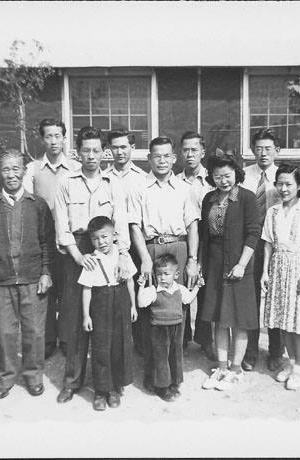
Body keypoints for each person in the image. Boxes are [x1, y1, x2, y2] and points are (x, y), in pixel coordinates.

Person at [54, 126, 133, 404]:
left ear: (104, 152)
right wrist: (77, 256)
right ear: (77, 152)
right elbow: (62, 227)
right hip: (78, 251)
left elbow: (121, 224)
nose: (91, 156)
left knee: (110, 321)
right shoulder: (66, 182)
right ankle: (72, 382)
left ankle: (111, 385)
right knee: (78, 319)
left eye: (96, 150)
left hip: (107, 249)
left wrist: (123, 255)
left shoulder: (114, 184)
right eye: (85, 150)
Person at [0, 149, 54, 399]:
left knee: (34, 331)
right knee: (5, 332)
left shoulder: (37, 205)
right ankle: (6, 376)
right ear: (0, 172)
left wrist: (45, 271)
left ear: (23, 171)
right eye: (6, 169)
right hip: (1, 280)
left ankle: (33, 376)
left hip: (32, 279)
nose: (12, 174)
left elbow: (46, 242)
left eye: (16, 168)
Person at [128, 135, 201, 393]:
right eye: (156, 156)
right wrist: (145, 258)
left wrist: (192, 259)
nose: (161, 160)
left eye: (166, 155)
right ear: (149, 158)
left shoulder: (184, 188)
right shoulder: (139, 187)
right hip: (152, 248)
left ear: (174, 158)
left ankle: (174, 377)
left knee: (177, 310)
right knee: (153, 313)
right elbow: (134, 226)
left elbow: (192, 225)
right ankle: (156, 376)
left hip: (178, 247)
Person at [199, 152, 261, 391]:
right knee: (219, 318)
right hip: (215, 264)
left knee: (239, 319)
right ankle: (222, 367)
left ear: (236, 173)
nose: (223, 180)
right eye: (217, 176)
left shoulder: (246, 197)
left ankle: (236, 369)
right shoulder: (209, 199)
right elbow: (206, 234)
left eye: (227, 175)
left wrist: (242, 264)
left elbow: (253, 233)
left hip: (238, 263)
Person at [23, 118, 81, 359]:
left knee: (69, 290)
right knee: (45, 289)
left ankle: (67, 337)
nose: (54, 141)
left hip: (68, 240)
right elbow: (26, 204)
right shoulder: (32, 169)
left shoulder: (76, 168)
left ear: (64, 138)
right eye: (49, 136)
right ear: (42, 138)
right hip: (43, 241)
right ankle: (48, 339)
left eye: (58, 136)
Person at [260, 164, 300, 390]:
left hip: (297, 267)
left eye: (289, 184)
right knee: (283, 319)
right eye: (280, 184)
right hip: (277, 266)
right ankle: (291, 363)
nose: (283, 189)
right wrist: (265, 271)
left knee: (298, 321)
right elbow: (267, 243)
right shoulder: (272, 211)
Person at [79, 216, 137, 411]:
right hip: (100, 303)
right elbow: (86, 289)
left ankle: (114, 388)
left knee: (120, 344)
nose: (101, 242)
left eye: (104, 237)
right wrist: (86, 315)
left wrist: (133, 306)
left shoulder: (123, 257)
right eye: (95, 239)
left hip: (121, 301)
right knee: (101, 347)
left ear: (113, 235)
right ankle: (101, 390)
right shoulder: (92, 260)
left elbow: (129, 281)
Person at [241, 128, 284, 372]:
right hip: (251, 244)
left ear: (276, 150)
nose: (263, 153)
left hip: (277, 245)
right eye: (258, 148)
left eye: (268, 148)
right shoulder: (244, 176)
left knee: (275, 298)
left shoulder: (285, 176)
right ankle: (251, 350)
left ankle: (276, 351)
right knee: (251, 298)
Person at [137, 254, 203, 402]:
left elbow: (189, 298)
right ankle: (162, 387)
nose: (163, 278)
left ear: (176, 274)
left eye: (167, 274)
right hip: (159, 330)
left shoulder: (180, 289)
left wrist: (197, 286)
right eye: (159, 274)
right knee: (160, 358)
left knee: (175, 356)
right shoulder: (153, 290)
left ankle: (173, 382)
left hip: (176, 329)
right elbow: (141, 303)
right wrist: (141, 286)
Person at [104, 129, 147, 354]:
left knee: (140, 291)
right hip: (114, 248)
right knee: (117, 294)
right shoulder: (104, 177)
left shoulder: (142, 178)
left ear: (132, 147)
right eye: (115, 147)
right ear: (109, 150)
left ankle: (141, 343)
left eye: (124, 147)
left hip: (139, 245)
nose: (119, 152)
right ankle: (120, 344)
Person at [176, 131, 215, 360]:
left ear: (203, 152)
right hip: (184, 239)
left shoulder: (211, 181)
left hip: (209, 239)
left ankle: (205, 339)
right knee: (182, 286)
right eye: (186, 150)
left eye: (194, 150)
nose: (189, 154)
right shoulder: (174, 180)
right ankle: (182, 338)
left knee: (205, 289)